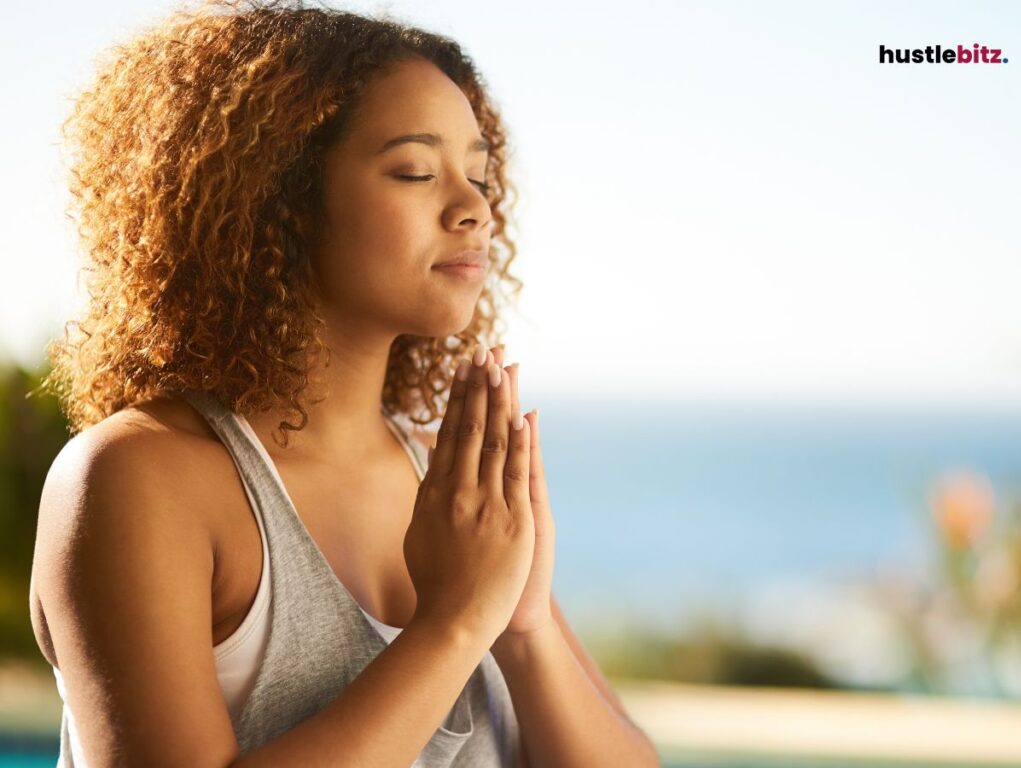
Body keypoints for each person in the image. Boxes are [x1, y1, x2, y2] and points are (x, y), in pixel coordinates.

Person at [29, 2, 660, 765]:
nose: (474, 210)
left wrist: (520, 629)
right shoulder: (139, 478)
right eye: (416, 171)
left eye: (481, 175)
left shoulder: (451, 480)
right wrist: (454, 626)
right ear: (276, 201)